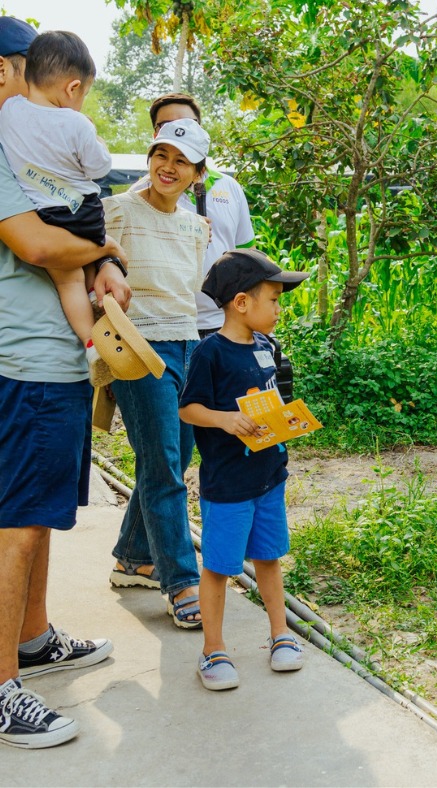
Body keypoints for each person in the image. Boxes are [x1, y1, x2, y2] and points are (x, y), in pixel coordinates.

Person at [0, 15, 130, 749]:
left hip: (53, 359)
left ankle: (31, 638)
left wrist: (99, 263)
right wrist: (104, 245)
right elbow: (37, 241)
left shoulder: (23, 142)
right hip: (23, 361)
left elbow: (65, 243)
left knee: (39, 515)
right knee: (14, 526)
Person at [179, 249, 309, 690]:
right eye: (273, 299)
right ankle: (213, 650)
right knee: (218, 566)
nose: (278, 309)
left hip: (269, 476)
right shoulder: (209, 354)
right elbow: (188, 409)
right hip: (229, 483)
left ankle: (281, 634)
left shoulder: (267, 346)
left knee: (269, 557)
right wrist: (224, 419)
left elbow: (273, 395)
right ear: (240, 302)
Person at [104, 118, 210, 628]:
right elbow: (96, 274)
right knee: (164, 463)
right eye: (161, 155)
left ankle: (132, 556)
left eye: (181, 161)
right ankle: (181, 581)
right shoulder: (117, 210)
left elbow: (185, 292)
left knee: (173, 457)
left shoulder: (195, 226)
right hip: (139, 347)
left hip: (187, 345)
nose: (168, 167)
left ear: (197, 173)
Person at [0, 30, 118, 386]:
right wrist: (109, 247)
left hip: (46, 210)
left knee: (69, 280)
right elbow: (99, 168)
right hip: (81, 211)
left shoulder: (10, 113)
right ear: (73, 87)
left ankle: (93, 342)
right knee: (72, 275)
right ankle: (98, 327)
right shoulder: (77, 123)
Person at [144, 92, 255, 338]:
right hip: (162, 327)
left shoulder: (229, 187)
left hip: (222, 323)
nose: (178, 131)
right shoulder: (138, 195)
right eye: (167, 126)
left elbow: (245, 254)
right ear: (155, 134)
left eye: (187, 125)